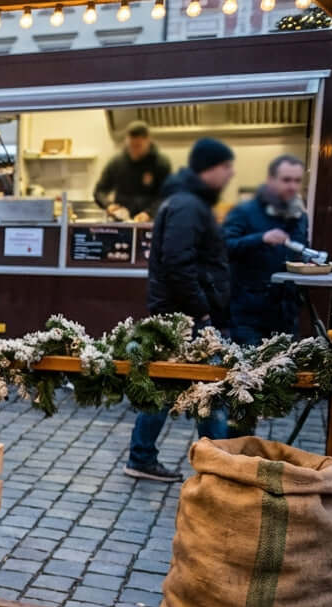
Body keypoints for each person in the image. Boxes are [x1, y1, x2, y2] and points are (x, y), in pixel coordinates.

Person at [128, 138, 235, 482]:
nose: (231, 173)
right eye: (226, 166)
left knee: (176, 386)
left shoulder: (187, 202)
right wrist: (202, 311)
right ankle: (219, 464)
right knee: (209, 387)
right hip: (187, 316)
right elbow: (178, 264)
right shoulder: (188, 206)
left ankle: (146, 456)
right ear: (210, 168)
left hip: (184, 313)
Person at [223, 154, 309, 346]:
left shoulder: (300, 216)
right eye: (286, 180)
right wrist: (260, 238)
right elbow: (223, 247)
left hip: (287, 316)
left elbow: (302, 251)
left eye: (297, 181)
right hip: (249, 317)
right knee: (249, 374)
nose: (292, 187)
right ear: (270, 180)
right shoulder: (243, 212)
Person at [94, 121, 172, 221]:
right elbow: (99, 191)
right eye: (131, 145)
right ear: (127, 141)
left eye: (138, 146)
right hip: (122, 222)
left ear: (148, 141)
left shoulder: (160, 163)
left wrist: (149, 213)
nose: (133, 150)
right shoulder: (116, 163)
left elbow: (166, 195)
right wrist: (108, 205)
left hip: (151, 222)